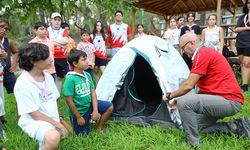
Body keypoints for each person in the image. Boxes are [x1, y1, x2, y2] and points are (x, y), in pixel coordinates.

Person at [163, 33, 249, 147]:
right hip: (221, 99)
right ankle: (235, 126)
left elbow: (188, 85)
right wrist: (181, 98)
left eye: (183, 48)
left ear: (192, 43)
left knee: (184, 103)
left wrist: (170, 96)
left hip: (229, 101)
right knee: (192, 125)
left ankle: (194, 143)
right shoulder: (204, 53)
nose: (183, 52)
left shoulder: (202, 54)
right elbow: (196, 90)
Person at [14, 43, 67, 150]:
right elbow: (34, 113)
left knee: (49, 141)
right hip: (33, 121)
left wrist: (59, 119)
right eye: (46, 57)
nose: (51, 60)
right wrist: (58, 125)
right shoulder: (22, 84)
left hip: (51, 119)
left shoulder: (48, 77)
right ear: (33, 61)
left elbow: (54, 100)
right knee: (53, 137)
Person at [63, 49, 113, 135]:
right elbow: (69, 101)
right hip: (79, 111)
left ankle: (99, 128)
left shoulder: (87, 74)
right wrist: (78, 117)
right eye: (84, 60)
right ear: (75, 64)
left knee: (109, 107)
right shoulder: (70, 79)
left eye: (87, 59)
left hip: (89, 104)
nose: (87, 62)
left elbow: (93, 93)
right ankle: (62, 121)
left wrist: (95, 110)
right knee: (82, 135)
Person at [47, 12, 69, 92]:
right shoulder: (47, 30)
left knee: (60, 77)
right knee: (50, 77)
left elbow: (66, 41)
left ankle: (57, 95)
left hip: (62, 57)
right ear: (51, 20)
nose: (57, 22)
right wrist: (60, 43)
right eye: (55, 19)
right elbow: (46, 42)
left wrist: (52, 41)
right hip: (51, 57)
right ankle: (50, 94)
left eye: (59, 20)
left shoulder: (63, 31)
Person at [234, 0, 250, 93]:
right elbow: (236, 29)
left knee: (246, 63)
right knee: (242, 63)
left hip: (249, 42)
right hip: (240, 42)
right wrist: (247, 28)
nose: (249, 5)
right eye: (248, 3)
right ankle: (244, 84)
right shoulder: (242, 17)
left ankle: (245, 86)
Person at [0, 18, 18, 95]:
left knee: (18, 92)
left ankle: (20, 107)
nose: (4, 30)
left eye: (6, 28)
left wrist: (14, 65)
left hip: (7, 72)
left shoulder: (9, 42)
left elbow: (16, 52)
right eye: (1, 26)